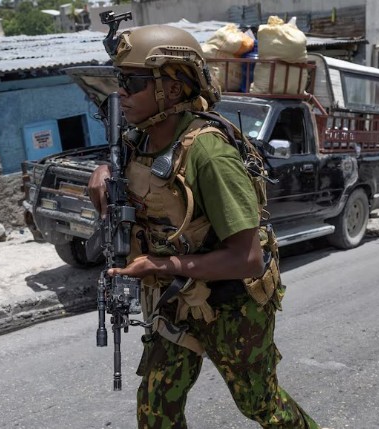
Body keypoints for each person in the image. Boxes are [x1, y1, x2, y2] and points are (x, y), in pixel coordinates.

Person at [86, 25, 319, 428]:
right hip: (176, 298)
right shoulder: (138, 140)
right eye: (119, 80)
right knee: (156, 410)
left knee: (260, 404)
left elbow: (247, 258)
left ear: (172, 90)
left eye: (133, 81)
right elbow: (122, 171)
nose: (121, 92)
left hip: (232, 302)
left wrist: (162, 266)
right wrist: (103, 170)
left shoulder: (209, 153)